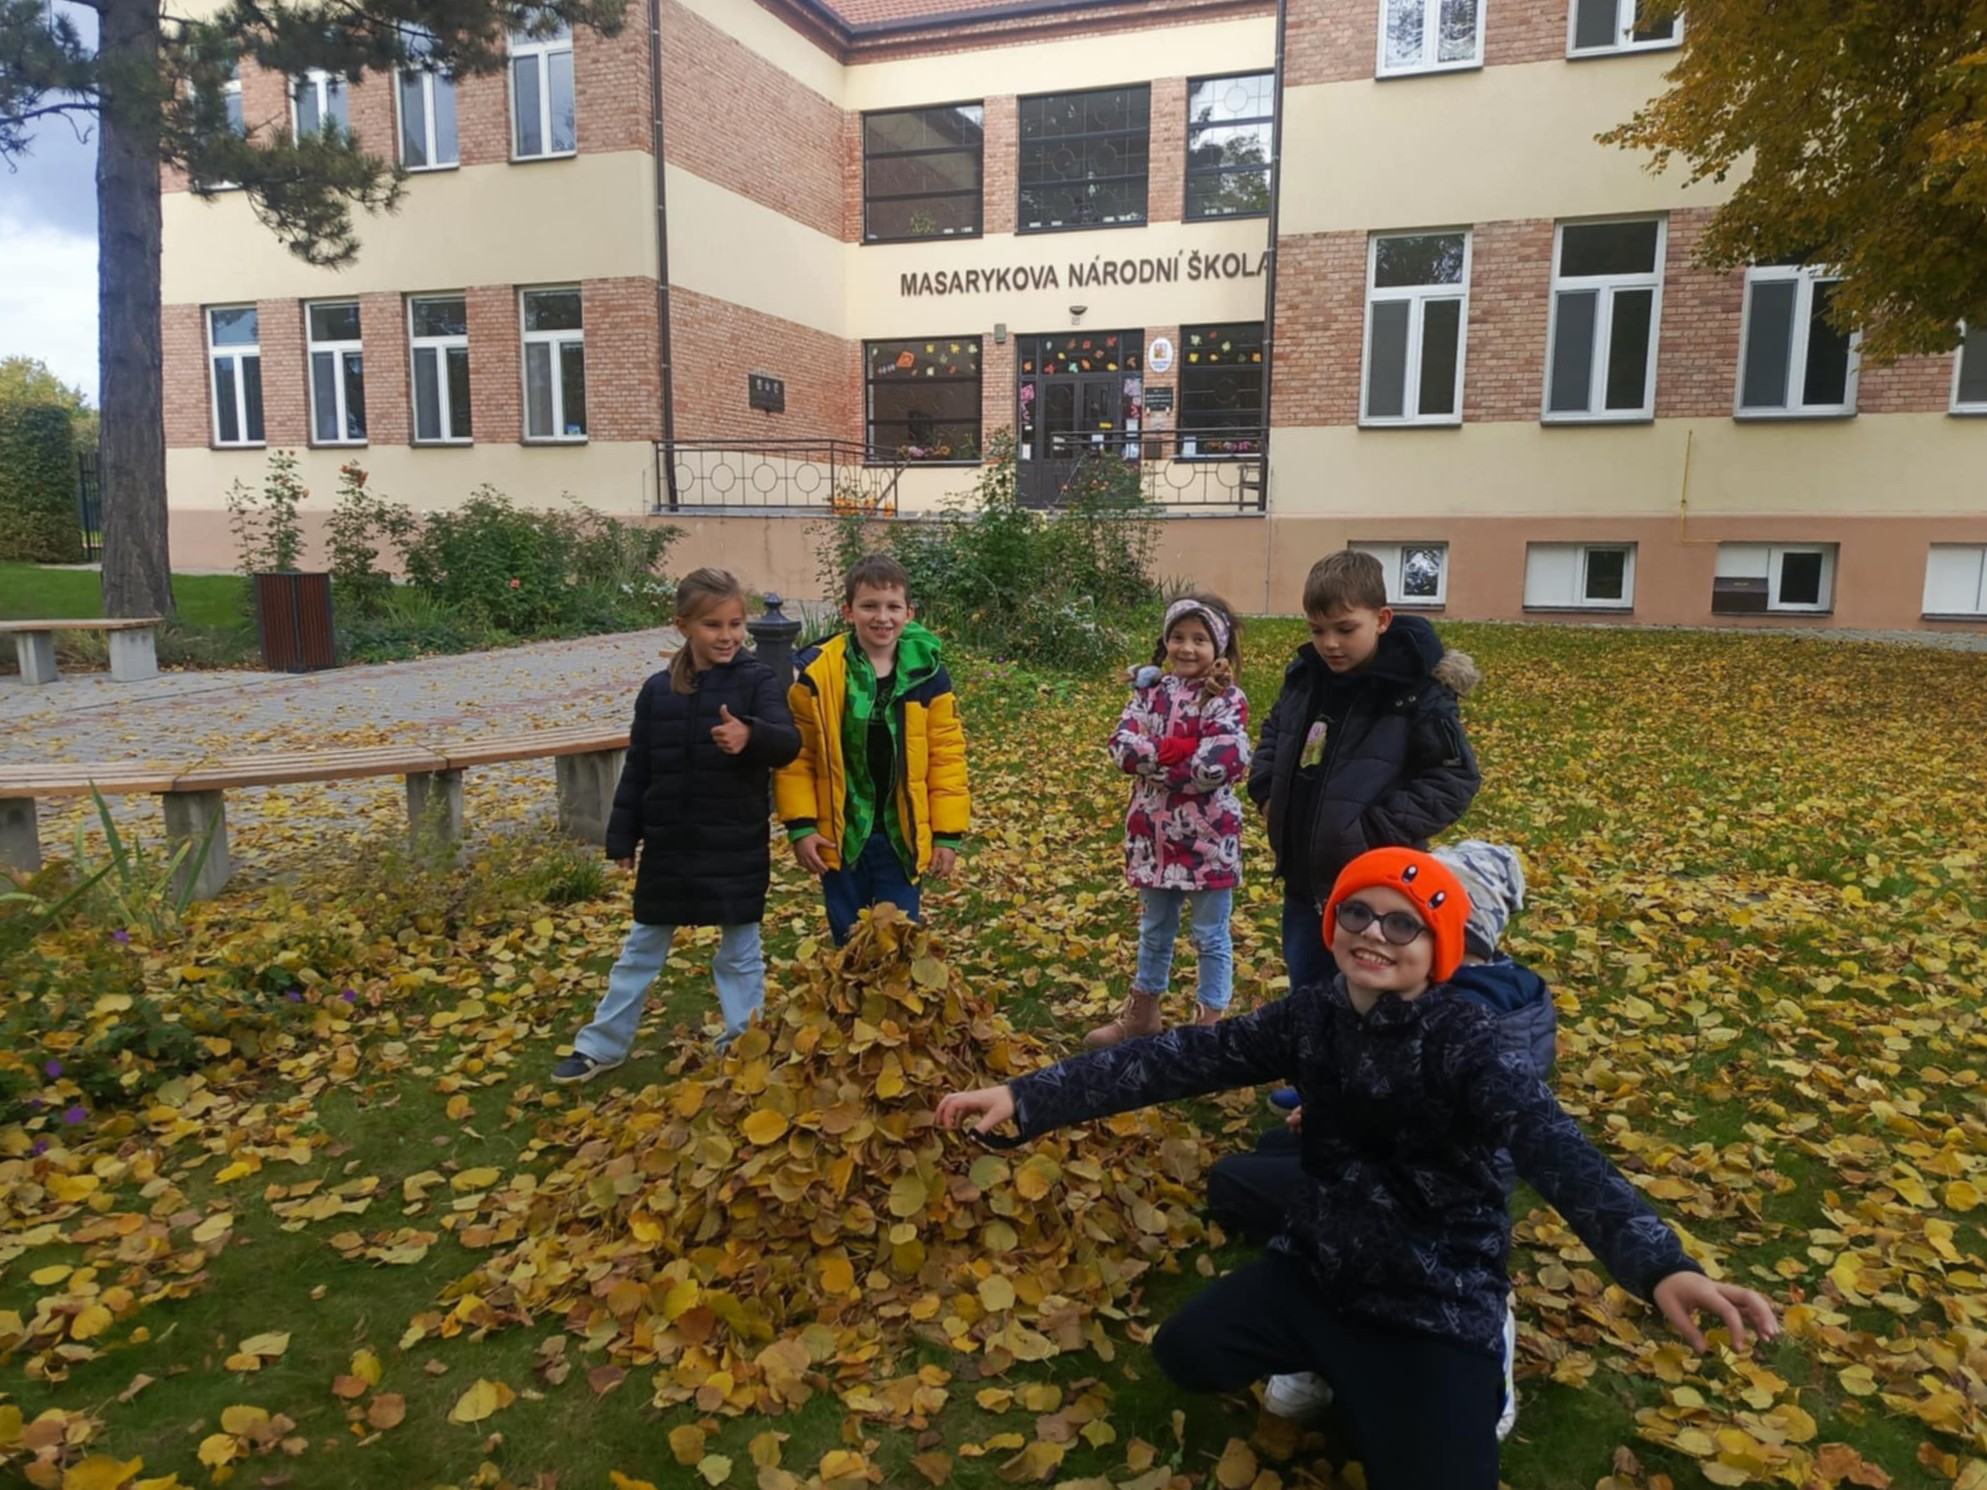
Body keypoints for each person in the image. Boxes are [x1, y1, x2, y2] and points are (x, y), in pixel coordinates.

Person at [937, 847, 1777, 1490]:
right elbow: (1179, 1059)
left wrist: (1659, 1265)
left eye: (1403, 923)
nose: (1374, 933)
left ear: (1439, 947)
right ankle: (1326, 1362)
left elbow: (1558, 1151)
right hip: (1319, 1262)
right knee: (1188, 1354)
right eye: (1358, 914)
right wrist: (1027, 1097)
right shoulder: (1314, 1014)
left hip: (1433, 1294)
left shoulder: (1467, 1042)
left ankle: (1478, 1358)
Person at [1217, 840, 1548, 1432]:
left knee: (1241, 1183)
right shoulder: (1494, 986)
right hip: (1384, 1165)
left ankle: (1479, 1339)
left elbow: (1430, 1126)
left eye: (1406, 921)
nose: (1381, 932)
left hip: (1430, 1206)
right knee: (1275, 1151)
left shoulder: (1465, 1024)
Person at [554, 569, 801, 1084]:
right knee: (640, 951)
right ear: (683, 625)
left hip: (734, 845)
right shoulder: (656, 691)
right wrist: (623, 835)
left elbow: (787, 742)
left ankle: (744, 1044)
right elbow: (639, 768)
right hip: (670, 846)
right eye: (713, 625)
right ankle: (602, 1045)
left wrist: (750, 734)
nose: (728, 636)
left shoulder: (757, 681)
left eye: (736, 624)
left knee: (741, 955)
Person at [1251, 549, 1481, 999]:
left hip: (1379, 895)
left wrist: (1373, 832)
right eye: (1317, 630)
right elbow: (1275, 731)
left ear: (1381, 619)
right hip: (1304, 885)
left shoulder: (1415, 694)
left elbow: (1453, 778)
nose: (1330, 644)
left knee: (1371, 1001)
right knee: (1309, 994)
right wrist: (1266, 793)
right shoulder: (1306, 677)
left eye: (1345, 629)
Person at [777, 554, 970, 945]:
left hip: (902, 835)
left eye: (893, 607)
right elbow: (799, 757)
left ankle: (894, 985)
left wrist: (947, 834)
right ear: (848, 611)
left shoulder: (927, 675)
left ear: (909, 613)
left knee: (897, 938)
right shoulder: (820, 675)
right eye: (869, 606)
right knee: (849, 938)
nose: (882, 617)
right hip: (841, 833)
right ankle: (850, 983)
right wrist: (802, 826)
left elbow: (946, 757)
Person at [1089, 593, 1251, 1049]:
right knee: (1154, 930)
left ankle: (1210, 1025)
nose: (1187, 648)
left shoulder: (1227, 700)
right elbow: (1122, 746)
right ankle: (1144, 1013)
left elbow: (1220, 762)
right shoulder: (1149, 693)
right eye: (1178, 637)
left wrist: (1157, 762)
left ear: (1218, 647)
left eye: (1199, 639)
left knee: (1210, 935)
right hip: (1154, 837)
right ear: (1165, 642)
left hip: (1208, 840)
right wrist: (1178, 754)